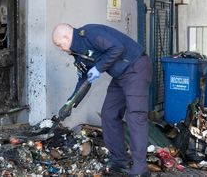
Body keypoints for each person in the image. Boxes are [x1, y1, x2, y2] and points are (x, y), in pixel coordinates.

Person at [52, 23, 151, 177]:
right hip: (120, 75)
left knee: (135, 116)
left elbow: (117, 48)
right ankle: (120, 161)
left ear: (66, 36)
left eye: (59, 44)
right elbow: (83, 80)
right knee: (109, 113)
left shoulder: (91, 33)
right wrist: (70, 103)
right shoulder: (77, 55)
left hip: (135, 67)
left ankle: (140, 168)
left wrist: (98, 68)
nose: (60, 48)